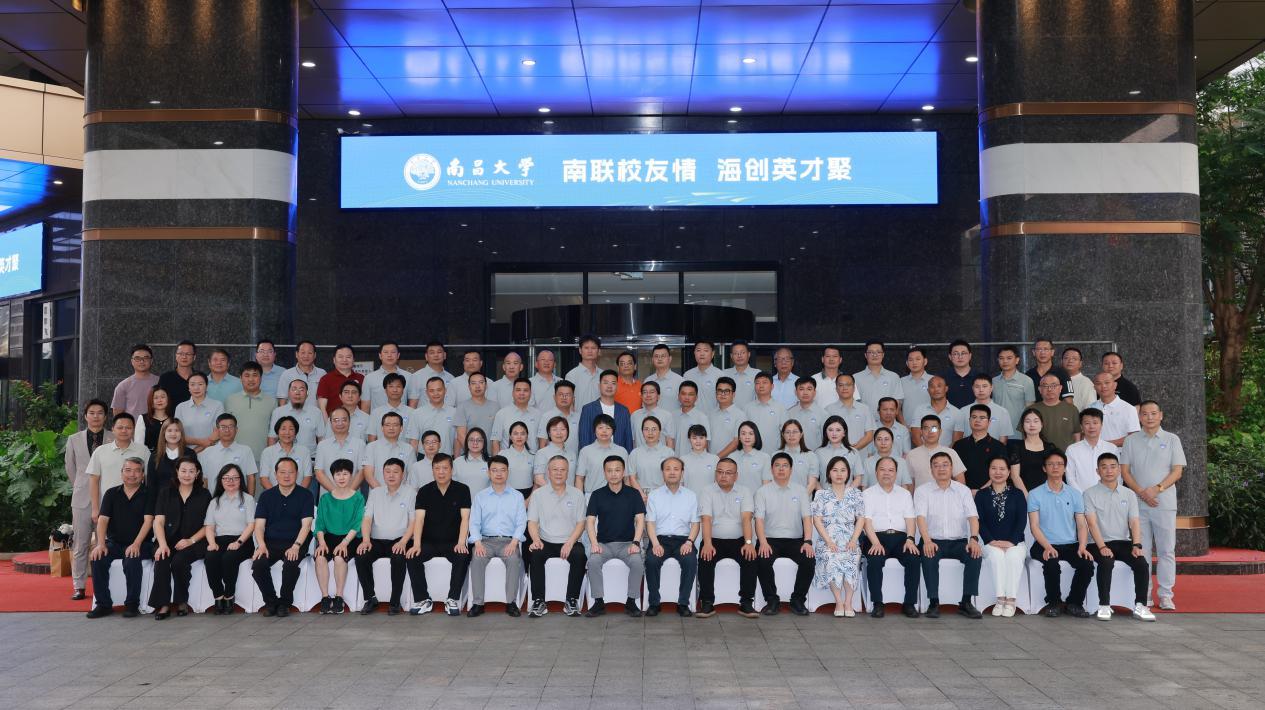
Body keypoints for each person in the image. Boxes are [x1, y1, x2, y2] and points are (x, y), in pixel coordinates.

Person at [1121, 400, 1185, 610]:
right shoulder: (1131, 440)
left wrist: (1156, 489)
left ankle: (1166, 594)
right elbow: (1125, 471)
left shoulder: (1172, 439)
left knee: (1167, 550)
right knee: (1142, 550)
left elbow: (1177, 471)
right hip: (1138, 504)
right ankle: (1145, 593)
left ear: (1161, 415)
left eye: (1153, 413)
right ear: (1139, 417)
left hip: (1164, 503)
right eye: (1145, 414)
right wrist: (1141, 492)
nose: (1149, 417)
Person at [1085, 453, 1157, 621]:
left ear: (1119, 470)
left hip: (1122, 541)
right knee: (1106, 561)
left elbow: (1134, 521)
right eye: (1104, 467)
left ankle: (1140, 605)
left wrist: (1137, 545)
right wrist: (1102, 547)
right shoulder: (1089, 493)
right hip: (1097, 543)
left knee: (1141, 563)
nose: (1109, 471)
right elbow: (1092, 523)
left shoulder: (1129, 494)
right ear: (1097, 471)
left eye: (1113, 466)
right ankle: (1104, 605)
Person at [914, 452, 984, 619]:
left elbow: (973, 517)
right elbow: (920, 518)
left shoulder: (963, 490)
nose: (941, 468)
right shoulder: (922, 491)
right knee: (928, 555)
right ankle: (933, 602)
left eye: (945, 465)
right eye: (936, 465)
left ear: (952, 468)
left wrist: (974, 539)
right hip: (933, 540)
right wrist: (927, 541)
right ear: (931, 470)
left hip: (959, 542)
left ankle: (966, 602)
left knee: (975, 554)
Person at [1027, 451, 1094, 618]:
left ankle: (1074, 603)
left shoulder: (1075, 494)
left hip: (1070, 544)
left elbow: (1081, 524)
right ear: (1044, 468)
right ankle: (1054, 603)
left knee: (1086, 565)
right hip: (1044, 544)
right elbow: (1034, 526)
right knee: (1051, 564)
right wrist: (1047, 546)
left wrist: (1082, 546)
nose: (1055, 467)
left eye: (1059, 464)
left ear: (1065, 468)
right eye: (1050, 464)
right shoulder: (1035, 494)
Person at [86, 457, 153, 619]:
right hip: (114, 543)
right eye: (128, 470)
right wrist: (100, 544)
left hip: (142, 543)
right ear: (122, 473)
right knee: (98, 558)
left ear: (142, 474)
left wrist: (136, 544)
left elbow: (148, 521)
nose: (132, 474)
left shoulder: (149, 493)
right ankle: (103, 605)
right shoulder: (111, 493)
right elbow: (103, 520)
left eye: (137, 471)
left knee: (132, 559)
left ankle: (132, 604)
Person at [251, 457, 315, 617]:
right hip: (270, 542)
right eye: (282, 472)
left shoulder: (306, 495)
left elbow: (306, 525)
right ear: (275, 474)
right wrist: (261, 545)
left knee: (291, 564)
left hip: (296, 541)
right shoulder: (266, 496)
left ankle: (285, 603)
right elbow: (259, 526)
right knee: (258, 564)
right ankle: (271, 602)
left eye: (291, 472)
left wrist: (296, 546)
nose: (287, 476)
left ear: (297, 474)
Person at [149, 455, 212, 619]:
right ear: (177, 472)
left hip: (195, 542)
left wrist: (190, 540)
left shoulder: (204, 495)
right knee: (162, 559)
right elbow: (158, 522)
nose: (187, 474)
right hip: (167, 540)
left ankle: (181, 600)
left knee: (179, 561)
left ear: (197, 474)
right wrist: (162, 544)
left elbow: (209, 525)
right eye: (183, 470)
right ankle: (163, 604)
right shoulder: (165, 493)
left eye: (191, 471)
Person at [356, 459, 421, 615]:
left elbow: (414, 521)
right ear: (383, 473)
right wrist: (366, 540)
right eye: (388, 471)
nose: (391, 475)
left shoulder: (411, 493)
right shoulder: (375, 493)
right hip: (376, 541)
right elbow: (367, 518)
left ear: (403, 474)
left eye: (395, 472)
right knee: (361, 555)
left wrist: (403, 542)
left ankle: (395, 601)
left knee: (398, 557)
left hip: (400, 540)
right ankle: (370, 598)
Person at [410, 453, 473, 616]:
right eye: (437, 468)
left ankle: (452, 599)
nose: (441, 472)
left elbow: (465, 518)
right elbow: (419, 519)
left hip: (452, 541)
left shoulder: (462, 489)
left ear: (452, 470)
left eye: (445, 468)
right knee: (412, 555)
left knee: (462, 555)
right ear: (432, 470)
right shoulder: (424, 491)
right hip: (429, 542)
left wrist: (461, 542)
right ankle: (423, 599)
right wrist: (416, 544)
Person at [525, 455, 588, 617]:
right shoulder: (538, 494)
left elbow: (581, 523)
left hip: (570, 541)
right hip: (545, 540)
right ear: (548, 472)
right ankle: (539, 600)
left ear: (568, 472)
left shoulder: (577, 494)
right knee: (535, 554)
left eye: (562, 470)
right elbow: (532, 522)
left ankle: (571, 600)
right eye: (555, 469)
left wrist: (570, 542)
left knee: (580, 555)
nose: (559, 473)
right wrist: (536, 540)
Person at [465, 456, 528, 617]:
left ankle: (511, 603)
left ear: (508, 472)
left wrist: (514, 543)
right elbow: (474, 522)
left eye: (502, 470)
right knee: (477, 558)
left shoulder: (517, 496)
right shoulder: (480, 496)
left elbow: (521, 522)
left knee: (513, 559)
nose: (499, 474)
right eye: (494, 470)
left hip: (509, 541)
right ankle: (478, 603)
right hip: (485, 541)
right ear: (489, 473)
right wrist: (477, 543)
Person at [695, 458, 758, 618]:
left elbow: (746, 519)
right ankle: (707, 602)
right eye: (720, 472)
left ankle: (746, 602)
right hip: (714, 540)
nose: (723, 476)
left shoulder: (744, 491)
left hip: (739, 540)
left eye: (728, 473)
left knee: (750, 557)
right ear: (715, 473)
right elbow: (706, 519)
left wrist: (748, 542)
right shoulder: (707, 491)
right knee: (705, 557)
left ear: (736, 476)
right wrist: (707, 543)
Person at [584, 455, 646, 617]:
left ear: (623, 472)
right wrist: (594, 543)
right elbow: (590, 521)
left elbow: (640, 520)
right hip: (604, 545)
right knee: (593, 561)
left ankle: (631, 602)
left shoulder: (633, 494)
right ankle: (598, 602)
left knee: (637, 563)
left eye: (617, 470)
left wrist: (636, 543)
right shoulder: (597, 495)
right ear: (604, 473)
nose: (613, 474)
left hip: (627, 544)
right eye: (609, 471)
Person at [753, 453, 814, 615]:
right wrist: (763, 542)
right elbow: (759, 520)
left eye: (785, 465)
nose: (781, 469)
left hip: (795, 540)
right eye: (777, 465)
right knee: (762, 560)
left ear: (791, 470)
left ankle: (798, 600)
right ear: (771, 469)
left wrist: (808, 541)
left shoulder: (801, 491)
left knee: (809, 560)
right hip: (769, 540)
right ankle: (772, 600)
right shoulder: (762, 492)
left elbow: (807, 518)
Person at [860, 456, 922, 618]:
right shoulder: (867, 494)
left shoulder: (904, 494)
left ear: (896, 473)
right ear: (876, 472)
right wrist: (875, 542)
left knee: (914, 558)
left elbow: (910, 519)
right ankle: (877, 603)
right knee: (874, 560)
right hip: (876, 537)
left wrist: (910, 539)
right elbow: (866, 521)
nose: (886, 473)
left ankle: (909, 603)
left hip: (901, 538)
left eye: (891, 470)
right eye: (882, 469)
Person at [65, 399, 111, 600]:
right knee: (81, 543)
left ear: (105, 416)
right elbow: (70, 467)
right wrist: (81, 485)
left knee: (106, 542)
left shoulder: (113, 437)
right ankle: (79, 586)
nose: (96, 416)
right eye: (92, 413)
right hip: (82, 498)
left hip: (108, 497)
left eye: (100, 413)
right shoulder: (74, 439)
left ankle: (106, 584)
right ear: (85, 416)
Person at [644, 457, 700, 617]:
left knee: (690, 561)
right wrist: (655, 544)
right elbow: (650, 523)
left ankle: (683, 603)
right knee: (651, 560)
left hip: (683, 540)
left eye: (676, 469)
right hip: (660, 539)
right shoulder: (654, 495)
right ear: (662, 472)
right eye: (668, 469)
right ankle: (654, 603)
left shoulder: (691, 496)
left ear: (682, 472)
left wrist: (689, 542)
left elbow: (695, 523)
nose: (672, 472)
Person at [811, 456, 865, 617]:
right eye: (835, 470)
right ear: (829, 473)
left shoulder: (856, 494)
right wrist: (828, 541)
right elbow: (817, 520)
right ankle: (838, 601)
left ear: (848, 473)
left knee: (852, 556)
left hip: (850, 539)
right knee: (831, 557)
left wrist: (854, 540)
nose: (839, 474)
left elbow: (861, 518)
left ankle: (848, 602)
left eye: (843, 470)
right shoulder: (821, 494)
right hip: (827, 539)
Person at [974, 456, 1027, 617]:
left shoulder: (1017, 494)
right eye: (994, 468)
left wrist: (1011, 542)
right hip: (989, 542)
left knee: (1013, 557)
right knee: (996, 556)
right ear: (989, 471)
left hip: (1016, 542)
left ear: (1009, 472)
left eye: (1002, 469)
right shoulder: (981, 495)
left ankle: (1011, 600)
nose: (998, 472)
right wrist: (991, 540)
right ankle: (1000, 599)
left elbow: (1021, 521)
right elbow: (979, 521)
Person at [203, 464, 257, 614]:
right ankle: (218, 596)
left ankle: (229, 595)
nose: (230, 481)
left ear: (241, 480)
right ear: (221, 481)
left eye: (234, 478)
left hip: (242, 541)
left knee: (229, 558)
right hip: (219, 540)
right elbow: (209, 526)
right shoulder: (215, 501)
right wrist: (212, 543)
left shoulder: (248, 499)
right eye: (226, 478)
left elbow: (252, 525)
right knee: (210, 558)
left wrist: (238, 542)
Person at [312, 458, 364, 614]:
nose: (341, 477)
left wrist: (344, 543)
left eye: (345, 474)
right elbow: (320, 524)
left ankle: (339, 597)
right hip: (328, 538)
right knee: (320, 557)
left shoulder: (358, 498)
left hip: (350, 538)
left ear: (351, 476)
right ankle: (325, 597)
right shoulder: (325, 498)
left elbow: (357, 524)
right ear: (333, 476)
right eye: (338, 474)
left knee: (340, 557)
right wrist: (321, 542)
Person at [88, 413, 151, 524]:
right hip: (107, 508)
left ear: (133, 430)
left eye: (128, 428)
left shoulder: (143, 451)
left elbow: (148, 479)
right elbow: (94, 480)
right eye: (120, 427)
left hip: (137, 507)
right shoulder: (100, 451)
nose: (124, 431)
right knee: (104, 535)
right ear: (113, 429)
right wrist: (95, 508)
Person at [225, 361, 276, 461]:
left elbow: (274, 432)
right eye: (247, 375)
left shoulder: (271, 401)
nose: (251, 379)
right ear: (240, 378)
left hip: (262, 458)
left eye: (255, 375)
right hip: (234, 458)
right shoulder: (230, 400)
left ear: (261, 378)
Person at [199, 414, 260, 494]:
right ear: (217, 430)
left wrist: (249, 499)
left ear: (236, 430)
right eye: (223, 427)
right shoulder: (207, 452)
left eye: (231, 427)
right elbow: (204, 480)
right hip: (213, 499)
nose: (227, 430)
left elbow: (251, 478)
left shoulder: (246, 451)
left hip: (239, 499)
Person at [953, 405, 1006, 490]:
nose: (977, 420)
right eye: (974, 417)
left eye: (982, 418)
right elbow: (953, 471)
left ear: (989, 422)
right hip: (961, 492)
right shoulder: (959, 445)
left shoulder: (998, 446)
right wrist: (965, 492)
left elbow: (1001, 473)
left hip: (989, 492)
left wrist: (981, 492)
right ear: (969, 420)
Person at [314, 407, 367, 493]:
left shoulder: (360, 444)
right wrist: (335, 492)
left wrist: (348, 492)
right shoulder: (322, 445)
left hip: (352, 496)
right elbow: (319, 472)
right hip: (329, 496)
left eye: (344, 420)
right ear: (330, 423)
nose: (340, 423)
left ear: (349, 422)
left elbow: (362, 471)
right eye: (336, 420)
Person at [578, 370, 634, 450]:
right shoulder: (588, 409)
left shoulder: (624, 411)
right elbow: (584, 439)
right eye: (606, 383)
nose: (609, 386)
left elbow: (628, 440)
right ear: (599, 386)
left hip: (618, 456)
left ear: (617, 387)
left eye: (613, 383)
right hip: (594, 455)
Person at [906, 414, 967, 488]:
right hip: (921, 495)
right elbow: (910, 484)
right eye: (926, 428)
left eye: (934, 428)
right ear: (921, 431)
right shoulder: (912, 454)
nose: (930, 432)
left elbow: (960, 480)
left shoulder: (951, 453)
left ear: (940, 431)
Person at [1008, 408, 1060, 494]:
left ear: (1041, 424)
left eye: (1036, 421)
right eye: (1027, 421)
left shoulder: (1050, 447)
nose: (1032, 425)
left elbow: (1054, 473)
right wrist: (1028, 497)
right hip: (1024, 494)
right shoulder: (1016, 447)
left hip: (1047, 494)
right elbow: (1015, 476)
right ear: (1023, 425)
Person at [1065, 408, 1117, 492]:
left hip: (1108, 495)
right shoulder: (1072, 450)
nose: (1092, 426)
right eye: (1087, 423)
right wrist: (1082, 496)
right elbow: (1070, 477)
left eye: (1095, 423)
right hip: (1082, 497)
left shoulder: (1111, 448)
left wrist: (1111, 493)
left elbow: (1118, 475)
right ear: (1081, 426)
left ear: (1101, 425)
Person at [576, 414, 630, 495]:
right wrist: (580, 499)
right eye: (600, 428)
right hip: (592, 496)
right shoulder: (585, 451)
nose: (604, 431)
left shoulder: (622, 451)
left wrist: (627, 497)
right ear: (594, 430)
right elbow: (579, 478)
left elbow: (626, 479)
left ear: (613, 431)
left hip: (617, 496)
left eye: (608, 428)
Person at [361, 412, 412, 489]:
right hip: (377, 493)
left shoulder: (409, 449)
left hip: (402, 494)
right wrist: (382, 493)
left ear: (401, 428)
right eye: (387, 425)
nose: (391, 428)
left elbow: (411, 476)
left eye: (395, 425)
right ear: (382, 428)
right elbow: (368, 475)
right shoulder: (371, 447)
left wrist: (401, 493)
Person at [260, 416, 313, 491]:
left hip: (298, 495)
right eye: (283, 429)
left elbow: (307, 477)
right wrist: (275, 495)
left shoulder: (304, 451)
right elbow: (264, 478)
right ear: (277, 431)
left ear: (296, 432)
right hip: (273, 494)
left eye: (291, 429)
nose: (287, 432)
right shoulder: (267, 452)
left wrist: (298, 494)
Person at [174, 372, 224, 452]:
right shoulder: (180, 407)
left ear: (206, 386)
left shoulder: (217, 405)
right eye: (192, 384)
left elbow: (218, 432)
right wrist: (198, 446)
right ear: (188, 387)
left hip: (211, 452)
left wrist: (195, 451)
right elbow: (177, 434)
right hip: (186, 453)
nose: (196, 388)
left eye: (200, 384)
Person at [956, 375, 1014, 443]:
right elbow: (958, 438)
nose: (981, 390)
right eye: (977, 386)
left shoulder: (1002, 412)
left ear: (991, 388)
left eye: (984, 386)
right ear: (972, 388)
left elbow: (1003, 441)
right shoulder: (963, 411)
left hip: (993, 449)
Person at [993, 345, 1035, 438]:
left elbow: (1030, 408)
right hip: (997, 432)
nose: (1005, 361)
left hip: (1018, 432)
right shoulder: (993, 382)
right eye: (1001, 358)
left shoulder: (1027, 381)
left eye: (1009, 358)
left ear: (1017, 360)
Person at [269, 379, 321, 453]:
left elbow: (321, 438)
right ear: (288, 393)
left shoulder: (316, 412)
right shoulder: (278, 412)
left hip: (310, 457)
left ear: (307, 394)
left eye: (301, 390)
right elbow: (272, 438)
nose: (297, 393)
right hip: (284, 457)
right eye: (294, 389)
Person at [490, 378, 541, 454]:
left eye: (525, 390)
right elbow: (495, 442)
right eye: (518, 390)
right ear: (513, 393)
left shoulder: (538, 414)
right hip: (507, 460)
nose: (522, 393)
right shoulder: (502, 414)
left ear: (530, 393)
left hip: (532, 459)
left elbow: (542, 441)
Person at [854, 340, 904, 417]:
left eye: (878, 352)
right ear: (865, 355)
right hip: (864, 422)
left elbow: (897, 403)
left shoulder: (893, 377)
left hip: (887, 422)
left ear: (883, 355)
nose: (875, 355)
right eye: (871, 352)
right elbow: (853, 403)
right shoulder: (855, 378)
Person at [1032, 373, 1081, 451]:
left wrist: (1076, 452)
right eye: (1045, 386)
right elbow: (1025, 435)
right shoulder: (1031, 410)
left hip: (1066, 455)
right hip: (1039, 454)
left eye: (1054, 386)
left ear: (1060, 388)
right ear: (1040, 389)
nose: (1049, 389)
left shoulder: (1072, 409)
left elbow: (1077, 434)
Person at [409, 376, 457, 455]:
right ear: (426, 393)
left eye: (439, 390)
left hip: (447, 458)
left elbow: (457, 440)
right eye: (431, 391)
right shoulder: (417, 413)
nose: (436, 393)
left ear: (445, 390)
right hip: (423, 457)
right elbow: (414, 441)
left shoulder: (454, 413)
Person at [825, 374, 875, 450]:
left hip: (860, 454)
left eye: (848, 385)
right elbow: (826, 435)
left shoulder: (864, 409)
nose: (844, 388)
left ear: (854, 388)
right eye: (841, 385)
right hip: (836, 454)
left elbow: (869, 435)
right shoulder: (828, 410)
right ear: (836, 389)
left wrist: (853, 451)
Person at [909, 376, 962, 447]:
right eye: (932, 387)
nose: (936, 389)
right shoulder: (919, 410)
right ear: (928, 390)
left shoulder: (957, 413)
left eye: (939, 386)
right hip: (923, 453)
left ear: (946, 388)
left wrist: (944, 454)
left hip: (947, 453)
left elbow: (956, 441)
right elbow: (915, 437)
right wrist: (926, 452)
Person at [744, 372, 787, 458]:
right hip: (751, 456)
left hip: (774, 456)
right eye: (757, 383)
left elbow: (786, 433)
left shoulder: (780, 408)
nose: (761, 385)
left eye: (764, 382)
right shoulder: (747, 408)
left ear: (772, 386)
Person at [1091, 372, 1140, 446]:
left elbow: (1134, 436)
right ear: (1094, 387)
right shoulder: (1090, 408)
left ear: (1115, 385)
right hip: (1094, 452)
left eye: (1107, 383)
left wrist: (1106, 445)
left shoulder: (1129, 409)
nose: (1103, 386)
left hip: (1120, 452)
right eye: (1099, 383)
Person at [454, 373, 498, 455]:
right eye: (473, 383)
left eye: (481, 382)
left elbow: (497, 435)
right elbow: (461, 435)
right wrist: (473, 453)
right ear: (469, 387)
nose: (477, 386)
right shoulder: (462, 406)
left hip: (490, 455)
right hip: (469, 455)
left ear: (486, 386)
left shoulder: (496, 407)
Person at [147, 419, 195, 493]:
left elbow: (195, 482)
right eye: (169, 430)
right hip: (161, 499)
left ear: (181, 433)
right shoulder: (155, 455)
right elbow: (151, 485)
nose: (173, 434)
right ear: (164, 433)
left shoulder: (190, 454)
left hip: (184, 498)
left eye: (177, 430)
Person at [627, 416, 671, 496]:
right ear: (642, 432)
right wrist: (641, 494)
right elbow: (632, 477)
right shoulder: (635, 453)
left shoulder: (669, 453)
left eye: (654, 429)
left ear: (660, 431)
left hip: (663, 494)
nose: (650, 433)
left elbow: (671, 477)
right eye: (646, 429)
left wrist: (660, 495)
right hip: (640, 495)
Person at [536, 380, 580, 458]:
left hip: (573, 460)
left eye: (567, 395)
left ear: (573, 398)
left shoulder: (579, 417)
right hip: (552, 462)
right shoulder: (546, 417)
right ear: (554, 397)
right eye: (561, 394)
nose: (564, 397)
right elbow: (542, 444)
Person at [112, 344, 159, 417]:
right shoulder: (123, 386)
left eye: (146, 358)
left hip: (156, 424)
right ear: (132, 361)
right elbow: (118, 415)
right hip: (133, 424)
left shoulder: (160, 382)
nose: (142, 361)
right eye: (137, 358)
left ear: (151, 361)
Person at [773, 419, 819, 492]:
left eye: (795, 432)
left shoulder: (811, 456)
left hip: (804, 498)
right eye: (788, 432)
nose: (791, 435)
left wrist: (801, 498)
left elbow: (812, 484)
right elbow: (772, 482)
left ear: (801, 434)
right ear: (783, 435)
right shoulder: (775, 455)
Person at [362, 341, 409, 412]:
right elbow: (365, 406)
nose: (389, 355)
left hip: (402, 418)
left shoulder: (408, 376)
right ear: (380, 356)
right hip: (378, 418)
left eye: (393, 352)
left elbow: (413, 403)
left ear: (398, 355)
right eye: (386, 352)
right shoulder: (369, 378)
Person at [367, 372, 413, 442]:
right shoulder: (376, 413)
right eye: (391, 386)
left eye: (398, 386)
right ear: (385, 390)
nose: (395, 390)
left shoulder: (412, 413)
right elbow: (372, 439)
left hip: (405, 449)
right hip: (381, 449)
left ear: (403, 390)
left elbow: (414, 439)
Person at [631, 381, 677, 451]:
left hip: (661, 456)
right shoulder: (635, 415)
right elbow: (634, 440)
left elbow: (670, 441)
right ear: (641, 396)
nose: (648, 395)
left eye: (652, 392)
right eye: (645, 392)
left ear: (658, 396)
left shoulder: (667, 415)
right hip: (640, 455)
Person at [816, 416, 862, 483]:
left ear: (844, 433)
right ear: (825, 432)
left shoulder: (853, 452)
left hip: (847, 489)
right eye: (830, 430)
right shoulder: (818, 452)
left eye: (838, 430)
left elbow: (858, 477)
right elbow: (813, 478)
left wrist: (849, 489)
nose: (834, 433)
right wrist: (821, 490)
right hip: (824, 489)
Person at [787, 377, 829, 450]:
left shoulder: (824, 414)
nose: (805, 393)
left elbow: (827, 440)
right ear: (796, 392)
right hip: (793, 454)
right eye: (801, 389)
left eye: (809, 389)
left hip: (816, 455)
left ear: (814, 392)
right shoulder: (789, 413)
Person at [534, 416, 576, 488]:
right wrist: (555, 492)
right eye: (554, 429)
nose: (559, 433)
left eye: (562, 429)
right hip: (548, 493)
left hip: (570, 494)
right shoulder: (542, 453)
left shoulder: (572, 454)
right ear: (549, 433)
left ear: (567, 432)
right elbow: (538, 479)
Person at [942, 339, 985, 409]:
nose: (960, 357)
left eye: (963, 353)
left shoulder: (981, 377)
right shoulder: (942, 378)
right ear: (950, 357)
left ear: (970, 356)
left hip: (975, 415)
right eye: (956, 354)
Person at [673, 381, 710, 457]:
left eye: (690, 394)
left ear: (696, 397)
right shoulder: (673, 415)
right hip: (675, 461)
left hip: (694, 460)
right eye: (683, 394)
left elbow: (705, 444)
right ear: (678, 396)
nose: (687, 397)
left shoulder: (702, 418)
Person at [732, 421, 770, 493]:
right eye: (743, 433)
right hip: (736, 498)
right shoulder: (732, 457)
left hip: (757, 499)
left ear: (756, 436)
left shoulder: (765, 458)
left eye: (751, 434)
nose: (747, 437)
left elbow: (766, 486)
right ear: (739, 437)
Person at [708, 377, 743, 456]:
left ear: (733, 394)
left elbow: (736, 442)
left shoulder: (740, 415)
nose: (722, 394)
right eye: (720, 391)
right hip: (711, 459)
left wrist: (717, 458)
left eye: (726, 391)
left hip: (730, 460)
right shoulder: (710, 414)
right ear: (716, 393)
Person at [411, 341, 454, 407]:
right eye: (432, 353)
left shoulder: (451, 378)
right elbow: (412, 404)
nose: (436, 355)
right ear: (426, 356)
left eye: (439, 352)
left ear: (444, 355)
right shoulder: (416, 377)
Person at [683, 341, 721, 413]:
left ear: (712, 354)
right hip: (691, 417)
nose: (702, 354)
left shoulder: (720, 375)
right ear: (694, 353)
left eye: (706, 350)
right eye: (698, 350)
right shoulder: (687, 375)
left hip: (712, 418)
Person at [502, 421, 536, 499]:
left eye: (522, 433)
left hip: (528, 495)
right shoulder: (502, 455)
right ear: (510, 436)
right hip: (507, 495)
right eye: (515, 433)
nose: (519, 437)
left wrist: (528, 500)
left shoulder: (533, 455)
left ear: (527, 436)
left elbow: (536, 481)